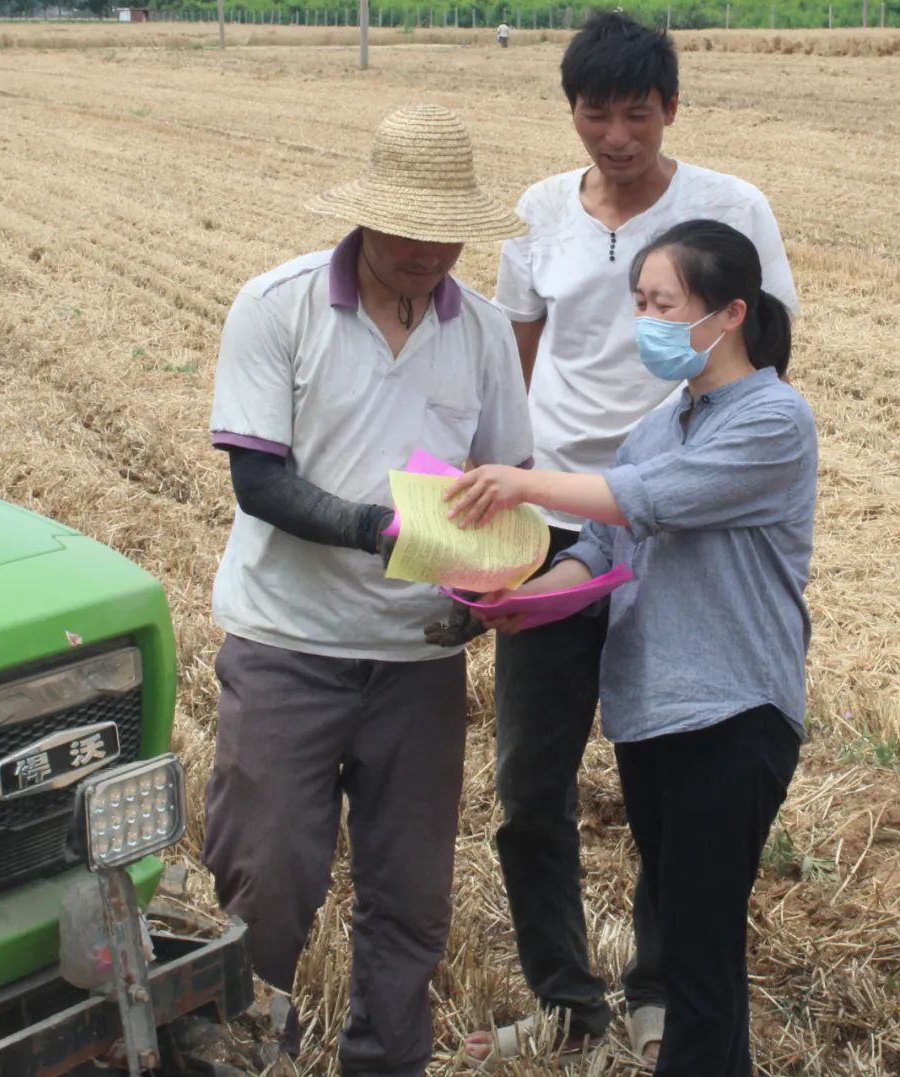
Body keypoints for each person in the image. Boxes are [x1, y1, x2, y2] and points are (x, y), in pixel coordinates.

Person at [462, 11, 799, 1070]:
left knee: (679, 755)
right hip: (567, 520)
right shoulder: (538, 214)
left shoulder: (732, 211)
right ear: (570, 110)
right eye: (595, 114)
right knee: (532, 783)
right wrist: (521, 538)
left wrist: (704, 471)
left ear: (671, 109)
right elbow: (514, 364)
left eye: (637, 114)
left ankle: (664, 992)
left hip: (680, 521)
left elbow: (765, 362)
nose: (616, 136)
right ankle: (568, 999)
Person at [202, 103, 534, 1077]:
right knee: (266, 880)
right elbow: (258, 483)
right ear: (369, 212)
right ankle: (248, 1053)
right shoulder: (279, 306)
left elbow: (505, 483)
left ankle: (386, 1063)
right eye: (410, 228)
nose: (430, 251)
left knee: (410, 901)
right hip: (288, 644)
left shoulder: (480, 331)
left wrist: (497, 583)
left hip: (417, 659)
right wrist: (376, 530)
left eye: (448, 231)